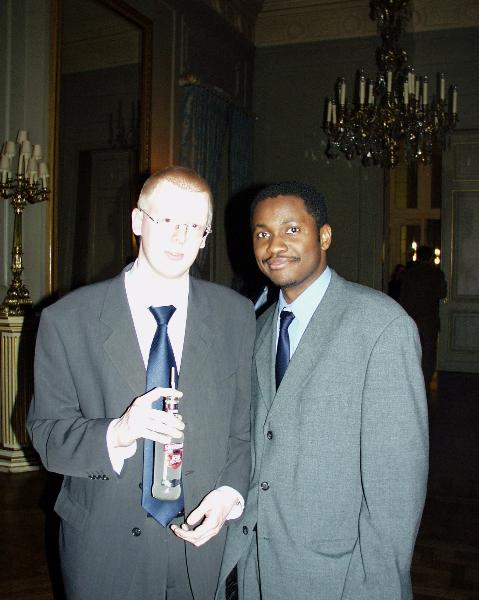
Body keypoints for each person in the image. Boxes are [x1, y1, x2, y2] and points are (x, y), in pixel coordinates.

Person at [27, 166, 256, 600]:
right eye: (167, 220)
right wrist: (118, 431)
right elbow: (47, 434)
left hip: (200, 547)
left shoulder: (236, 316)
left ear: (205, 237)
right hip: (104, 547)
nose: (180, 237)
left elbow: (241, 430)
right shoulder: (67, 320)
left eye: (194, 226)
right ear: (137, 221)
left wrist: (228, 494)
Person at [216, 181, 429, 600]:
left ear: (324, 236)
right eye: (262, 233)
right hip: (256, 565)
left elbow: (397, 485)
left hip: (337, 573)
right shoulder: (259, 329)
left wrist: (376, 585)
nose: (275, 245)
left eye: (292, 229)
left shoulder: (380, 325)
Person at [399, 245, 447, 392]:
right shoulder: (436, 273)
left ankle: (411, 382)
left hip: (412, 317)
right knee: (428, 354)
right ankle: (425, 383)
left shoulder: (410, 273)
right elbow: (442, 293)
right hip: (429, 319)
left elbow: (403, 295)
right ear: (431, 257)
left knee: (412, 352)